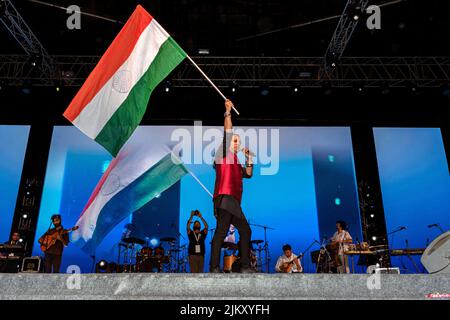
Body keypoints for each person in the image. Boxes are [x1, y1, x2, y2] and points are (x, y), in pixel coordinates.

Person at [210, 99, 254, 273]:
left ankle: (244, 266)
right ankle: (215, 267)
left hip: (233, 203)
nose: (236, 143)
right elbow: (227, 132)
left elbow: (249, 174)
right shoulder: (223, 154)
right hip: (225, 198)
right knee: (221, 233)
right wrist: (227, 111)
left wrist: (249, 158)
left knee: (245, 230)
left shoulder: (236, 163)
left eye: (238, 141)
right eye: (234, 141)